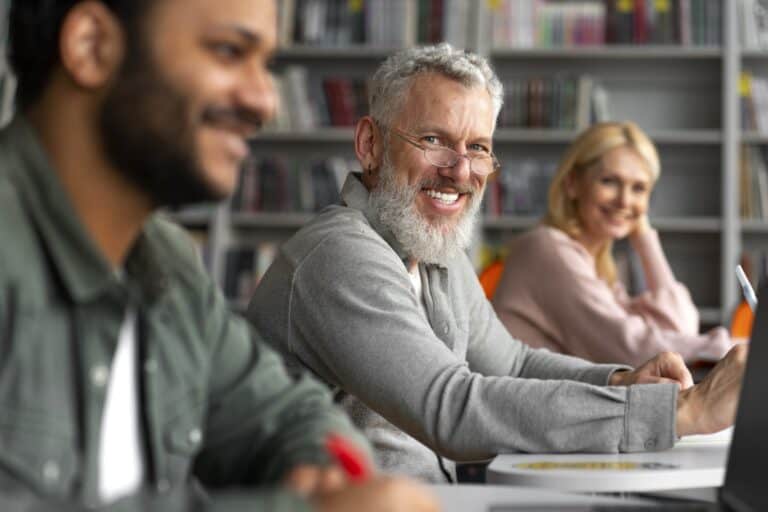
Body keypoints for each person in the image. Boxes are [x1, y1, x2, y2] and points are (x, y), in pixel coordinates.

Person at [0, 1, 438, 511]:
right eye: (230, 52)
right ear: (91, 46)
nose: (264, 101)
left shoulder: (163, 264)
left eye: (265, 65)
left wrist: (328, 473)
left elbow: (289, 413)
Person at [247, 43, 747, 483]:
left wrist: (619, 382)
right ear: (370, 145)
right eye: (434, 140)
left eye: (479, 148)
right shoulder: (339, 256)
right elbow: (452, 408)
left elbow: (514, 362)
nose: (461, 170)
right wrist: (680, 410)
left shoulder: (431, 248)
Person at [491, 122, 733, 366]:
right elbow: (631, 350)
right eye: (609, 181)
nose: (624, 200)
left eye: (639, 188)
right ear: (572, 183)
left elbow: (681, 329)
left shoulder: (597, 264)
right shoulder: (547, 250)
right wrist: (723, 347)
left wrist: (643, 237)